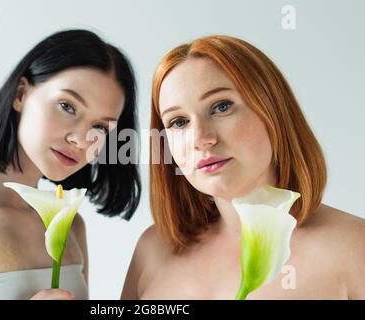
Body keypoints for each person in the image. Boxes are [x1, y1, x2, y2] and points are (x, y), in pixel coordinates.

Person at [122, 35, 364, 299]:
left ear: (274, 112)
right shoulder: (153, 251)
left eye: (221, 106)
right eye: (179, 122)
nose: (201, 139)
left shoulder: (354, 248)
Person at [0, 29, 141, 299]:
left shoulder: (70, 225)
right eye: (67, 106)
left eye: (100, 127)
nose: (81, 139)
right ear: (20, 94)